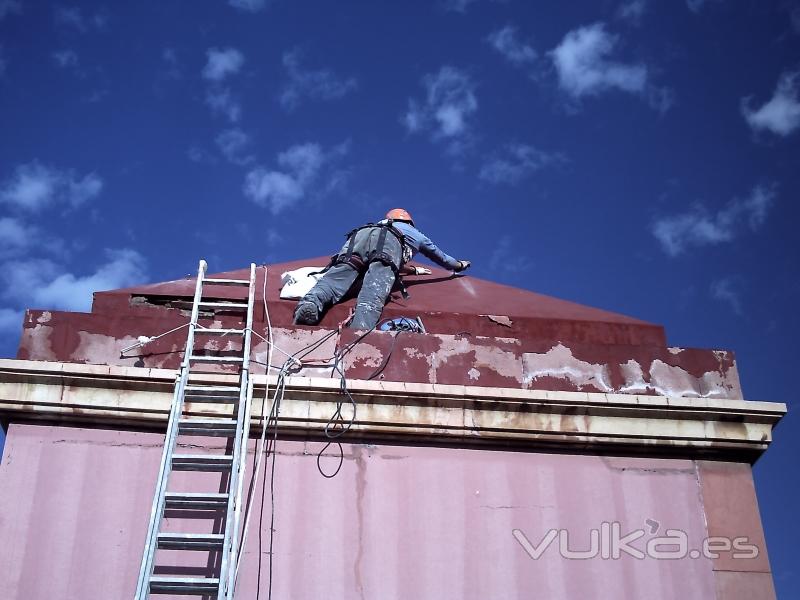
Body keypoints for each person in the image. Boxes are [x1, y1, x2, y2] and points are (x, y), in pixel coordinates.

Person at [293, 208, 470, 330]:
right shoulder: (415, 234)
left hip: (360, 235)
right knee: (374, 289)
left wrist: (413, 270)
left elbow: (379, 255)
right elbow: (441, 257)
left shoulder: (381, 224)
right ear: (410, 222)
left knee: (334, 279)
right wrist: (459, 265)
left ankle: (310, 305)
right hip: (388, 243)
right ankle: (359, 328)